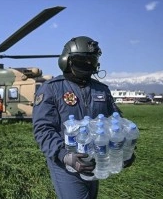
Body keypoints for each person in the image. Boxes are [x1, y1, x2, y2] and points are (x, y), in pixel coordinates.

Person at [32, 36, 136, 199]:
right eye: (82, 60)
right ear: (67, 61)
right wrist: (65, 155)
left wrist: (124, 148)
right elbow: (43, 130)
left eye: (92, 61)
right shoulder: (51, 89)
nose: (87, 65)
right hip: (66, 162)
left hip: (95, 159)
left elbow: (115, 122)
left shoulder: (101, 90)